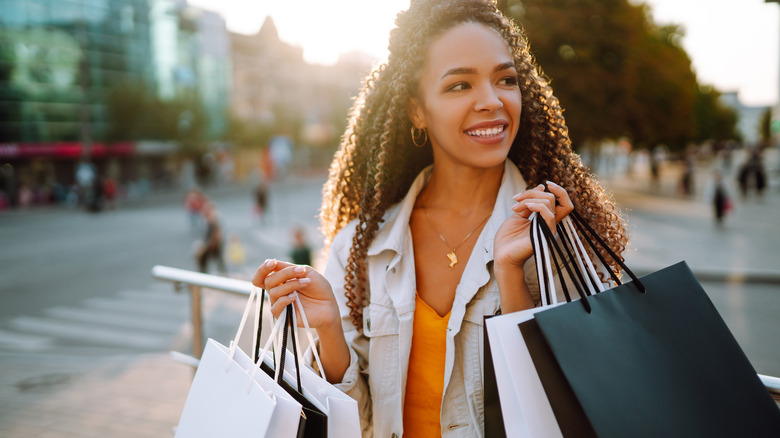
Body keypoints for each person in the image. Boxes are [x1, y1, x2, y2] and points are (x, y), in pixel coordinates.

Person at [253, 1, 627, 436]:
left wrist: (510, 276)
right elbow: (357, 425)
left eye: (505, 80)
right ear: (417, 109)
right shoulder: (359, 247)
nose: (492, 101)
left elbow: (565, 410)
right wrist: (329, 329)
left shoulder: (556, 237)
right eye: (459, 86)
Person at [197, 202, 227, 274]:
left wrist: (207, 244)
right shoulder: (208, 219)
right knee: (217, 261)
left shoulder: (213, 220)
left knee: (218, 260)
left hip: (213, 244)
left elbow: (217, 233)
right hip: (212, 243)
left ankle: (221, 275)